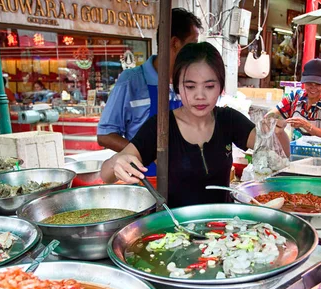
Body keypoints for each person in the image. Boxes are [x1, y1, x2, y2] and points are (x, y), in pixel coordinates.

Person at [101, 42, 291, 207]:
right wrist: (116, 163)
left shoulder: (229, 119)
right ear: (177, 87)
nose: (200, 95)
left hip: (225, 231)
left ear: (221, 87)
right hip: (176, 231)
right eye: (190, 86)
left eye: (209, 86)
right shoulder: (161, 127)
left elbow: (279, 155)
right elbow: (106, 175)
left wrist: (277, 133)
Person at [97, 8, 203, 152]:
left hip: (184, 172)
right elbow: (105, 135)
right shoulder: (131, 81)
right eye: (193, 44)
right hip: (144, 173)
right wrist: (143, 154)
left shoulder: (190, 82)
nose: (196, 53)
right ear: (175, 43)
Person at [268, 59, 321, 139]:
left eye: (318, 84)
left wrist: (305, 125)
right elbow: (273, 113)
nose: (313, 88)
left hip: (318, 149)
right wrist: (272, 119)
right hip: (293, 148)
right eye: (309, 83)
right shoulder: (295, 96)